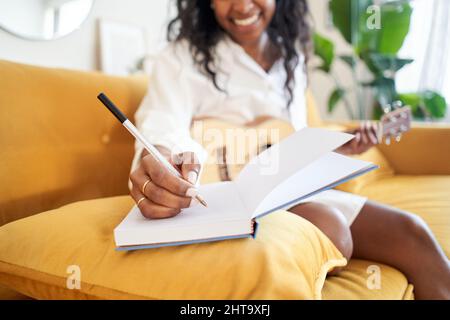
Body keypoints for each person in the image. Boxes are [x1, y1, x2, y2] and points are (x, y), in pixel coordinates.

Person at [128, 0, 450, 299]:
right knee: (332, 228)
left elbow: (290, 149)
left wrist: (341, 147)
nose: (241, 5)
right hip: (219, 197)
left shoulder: (291, 58)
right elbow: (162, 122)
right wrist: (160, 156)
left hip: (285, 191)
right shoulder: (182, 56)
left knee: (413, 232)